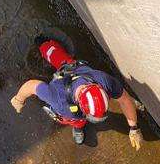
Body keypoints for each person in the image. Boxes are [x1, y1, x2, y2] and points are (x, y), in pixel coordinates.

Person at [10, 32, 143, 148]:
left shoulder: (105, 81)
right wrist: (18, 99)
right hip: (67, 73)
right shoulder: (58, 100)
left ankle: (78, 127)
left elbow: (125, 100)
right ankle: (43, 44)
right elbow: (32, 86)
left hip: (75, 70)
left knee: (77, 120)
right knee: (74, 119)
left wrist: (134, 128)